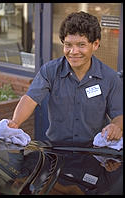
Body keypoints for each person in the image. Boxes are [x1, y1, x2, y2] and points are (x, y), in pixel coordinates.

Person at [8, 11, 123, 144]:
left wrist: (116, 126)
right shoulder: (50, 71)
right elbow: (29, 99)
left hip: (94, 153)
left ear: (95, 44)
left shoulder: (110, 77)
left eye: (81, 45)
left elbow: (119, 114)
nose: (73, 52)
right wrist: (15, 122)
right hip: (57, 150)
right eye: (68, 45)